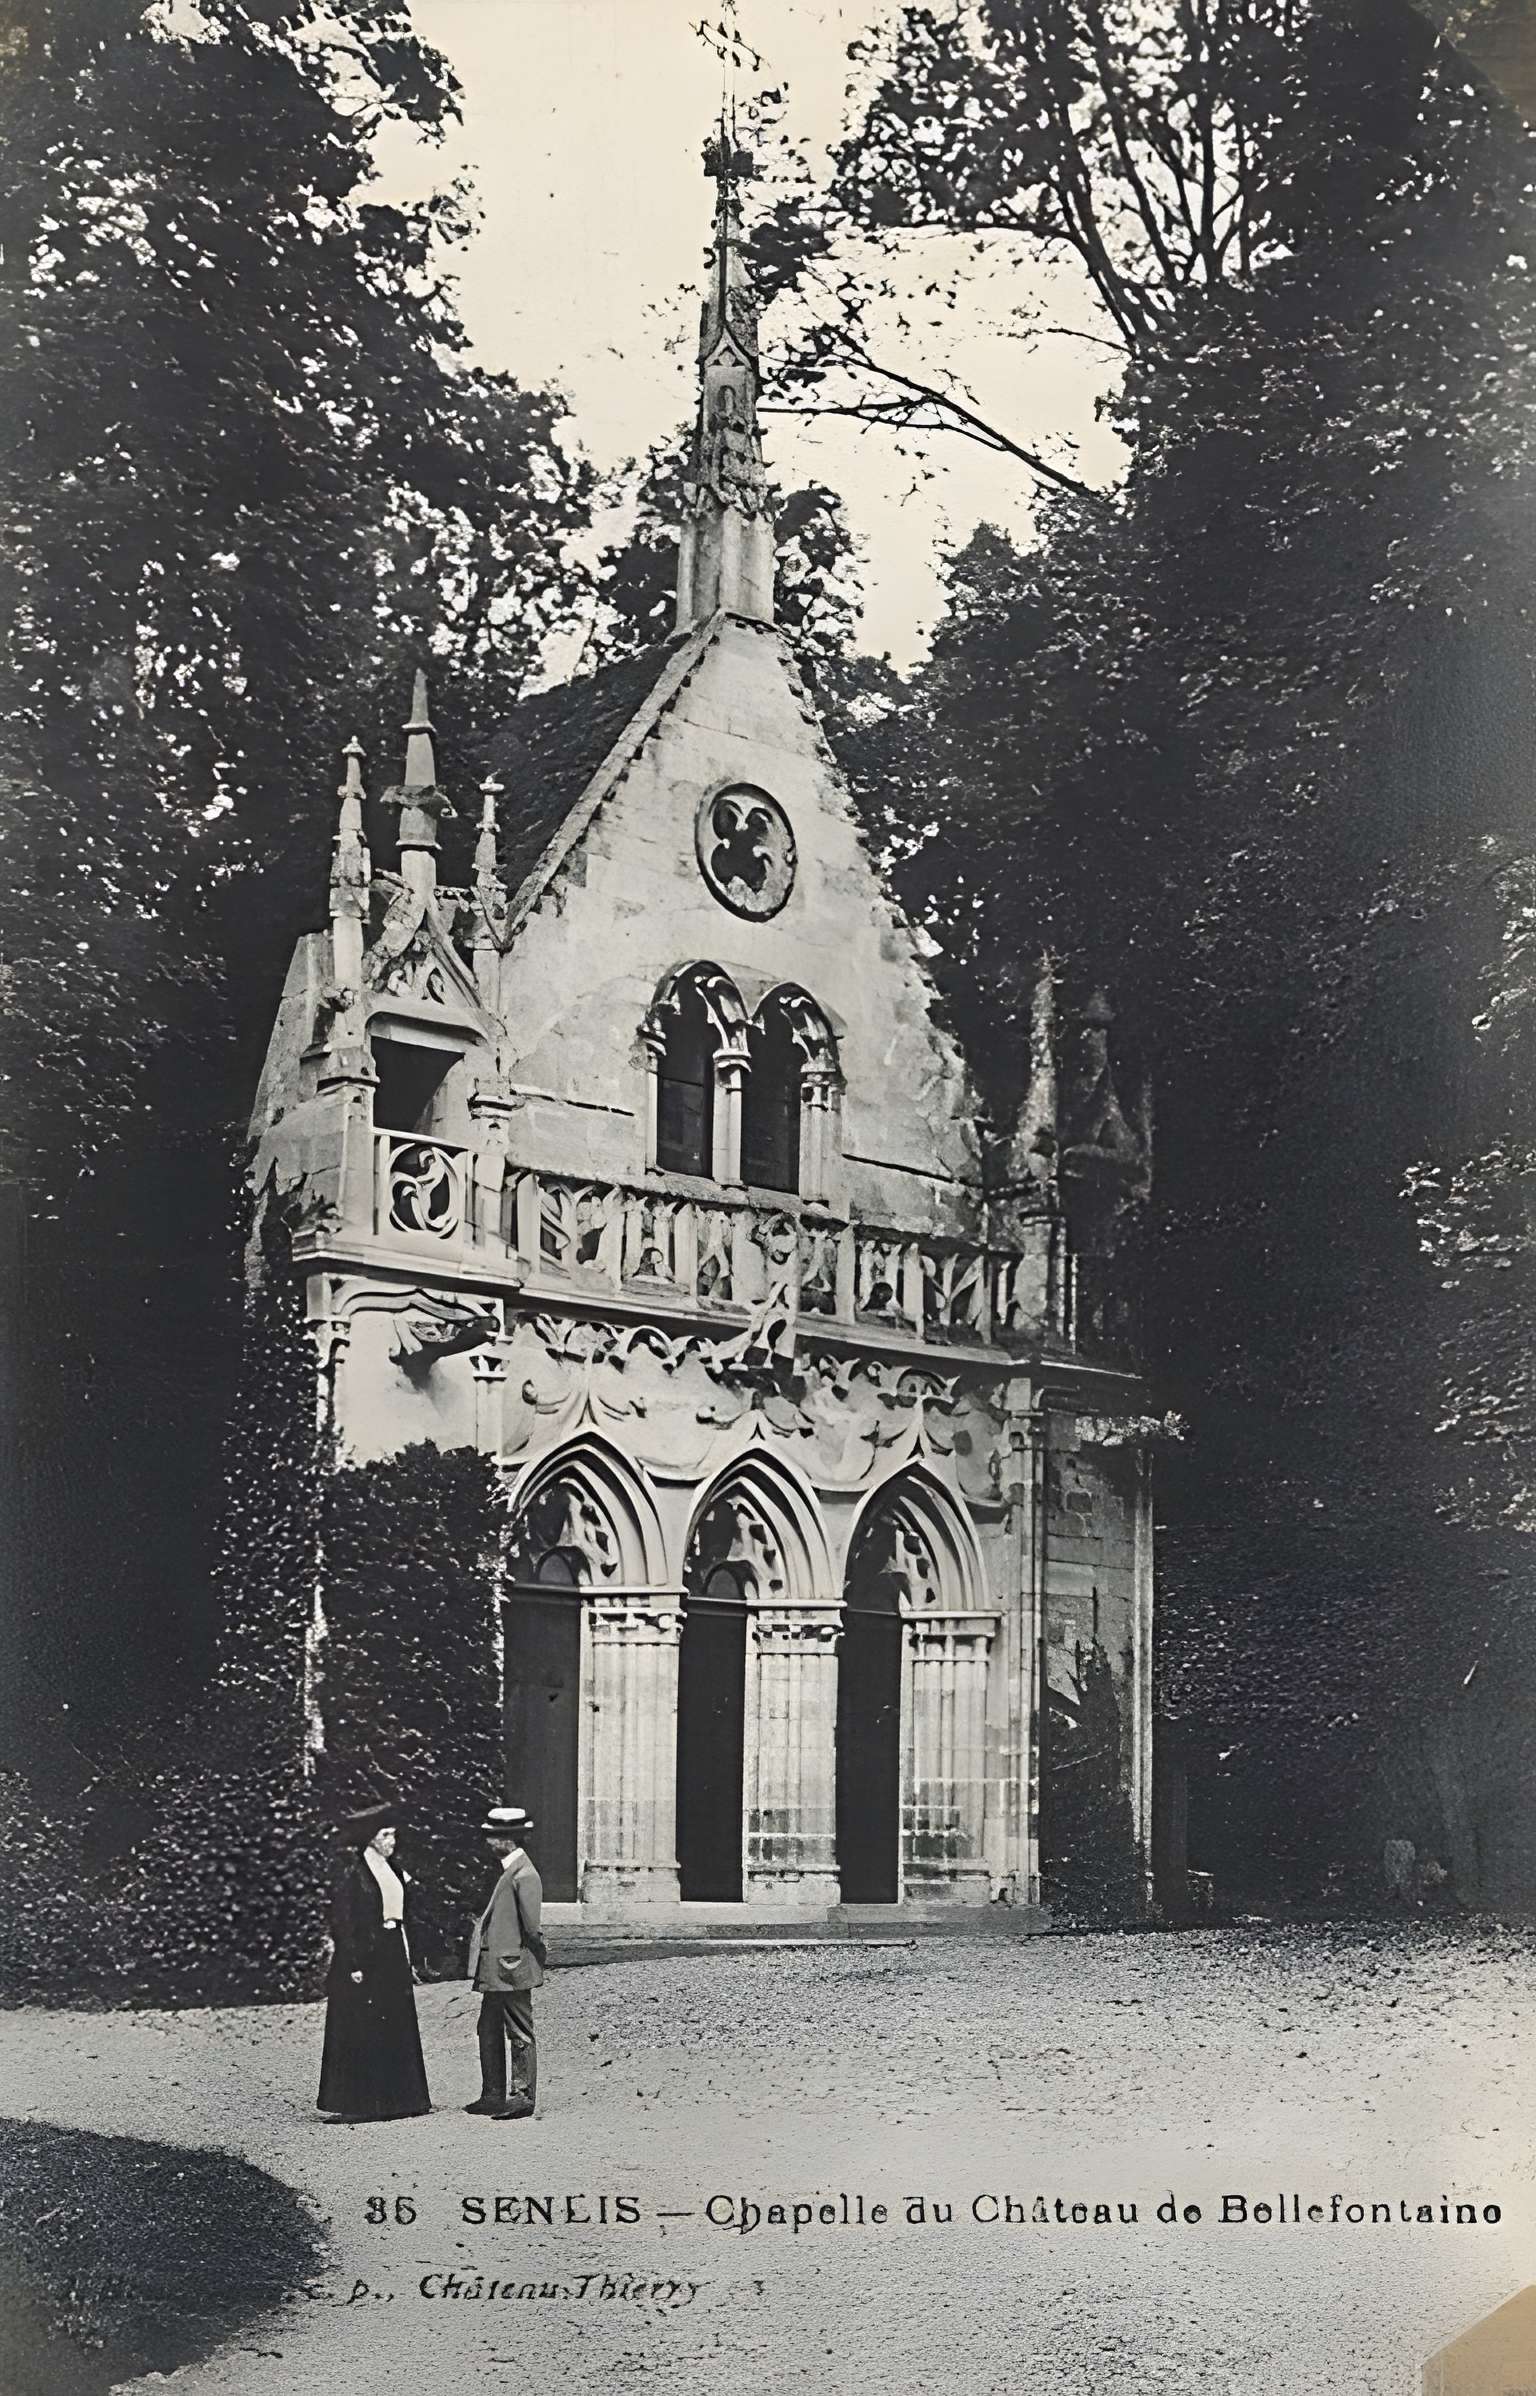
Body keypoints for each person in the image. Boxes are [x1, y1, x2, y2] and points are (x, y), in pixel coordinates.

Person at [317, 1802, 432, 2122]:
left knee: (395, 2019)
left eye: (393, 1834)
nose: (391, 1840)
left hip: (392, 1948)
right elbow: (344, 1920)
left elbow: (407, 1910)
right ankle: (360, 2102)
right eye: (385, 1834)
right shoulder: (354, 1872)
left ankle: (403, 2098)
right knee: (362, 2025)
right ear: (371, 1839)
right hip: (365, 1954)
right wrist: (353, 1963)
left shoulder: (394, 1869)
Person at [465, 1804, 545, 2121]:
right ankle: (493, 2094)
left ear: (506, 1839)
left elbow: (532, 1929)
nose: (487, 1842)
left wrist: (530, 1960)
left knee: (519, 2031)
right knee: (487, 2027)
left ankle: (523, 2096)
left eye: (492, 1836)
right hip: (499, 1966)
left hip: (511, 1967)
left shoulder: (525, 1874)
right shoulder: (511, 1870)